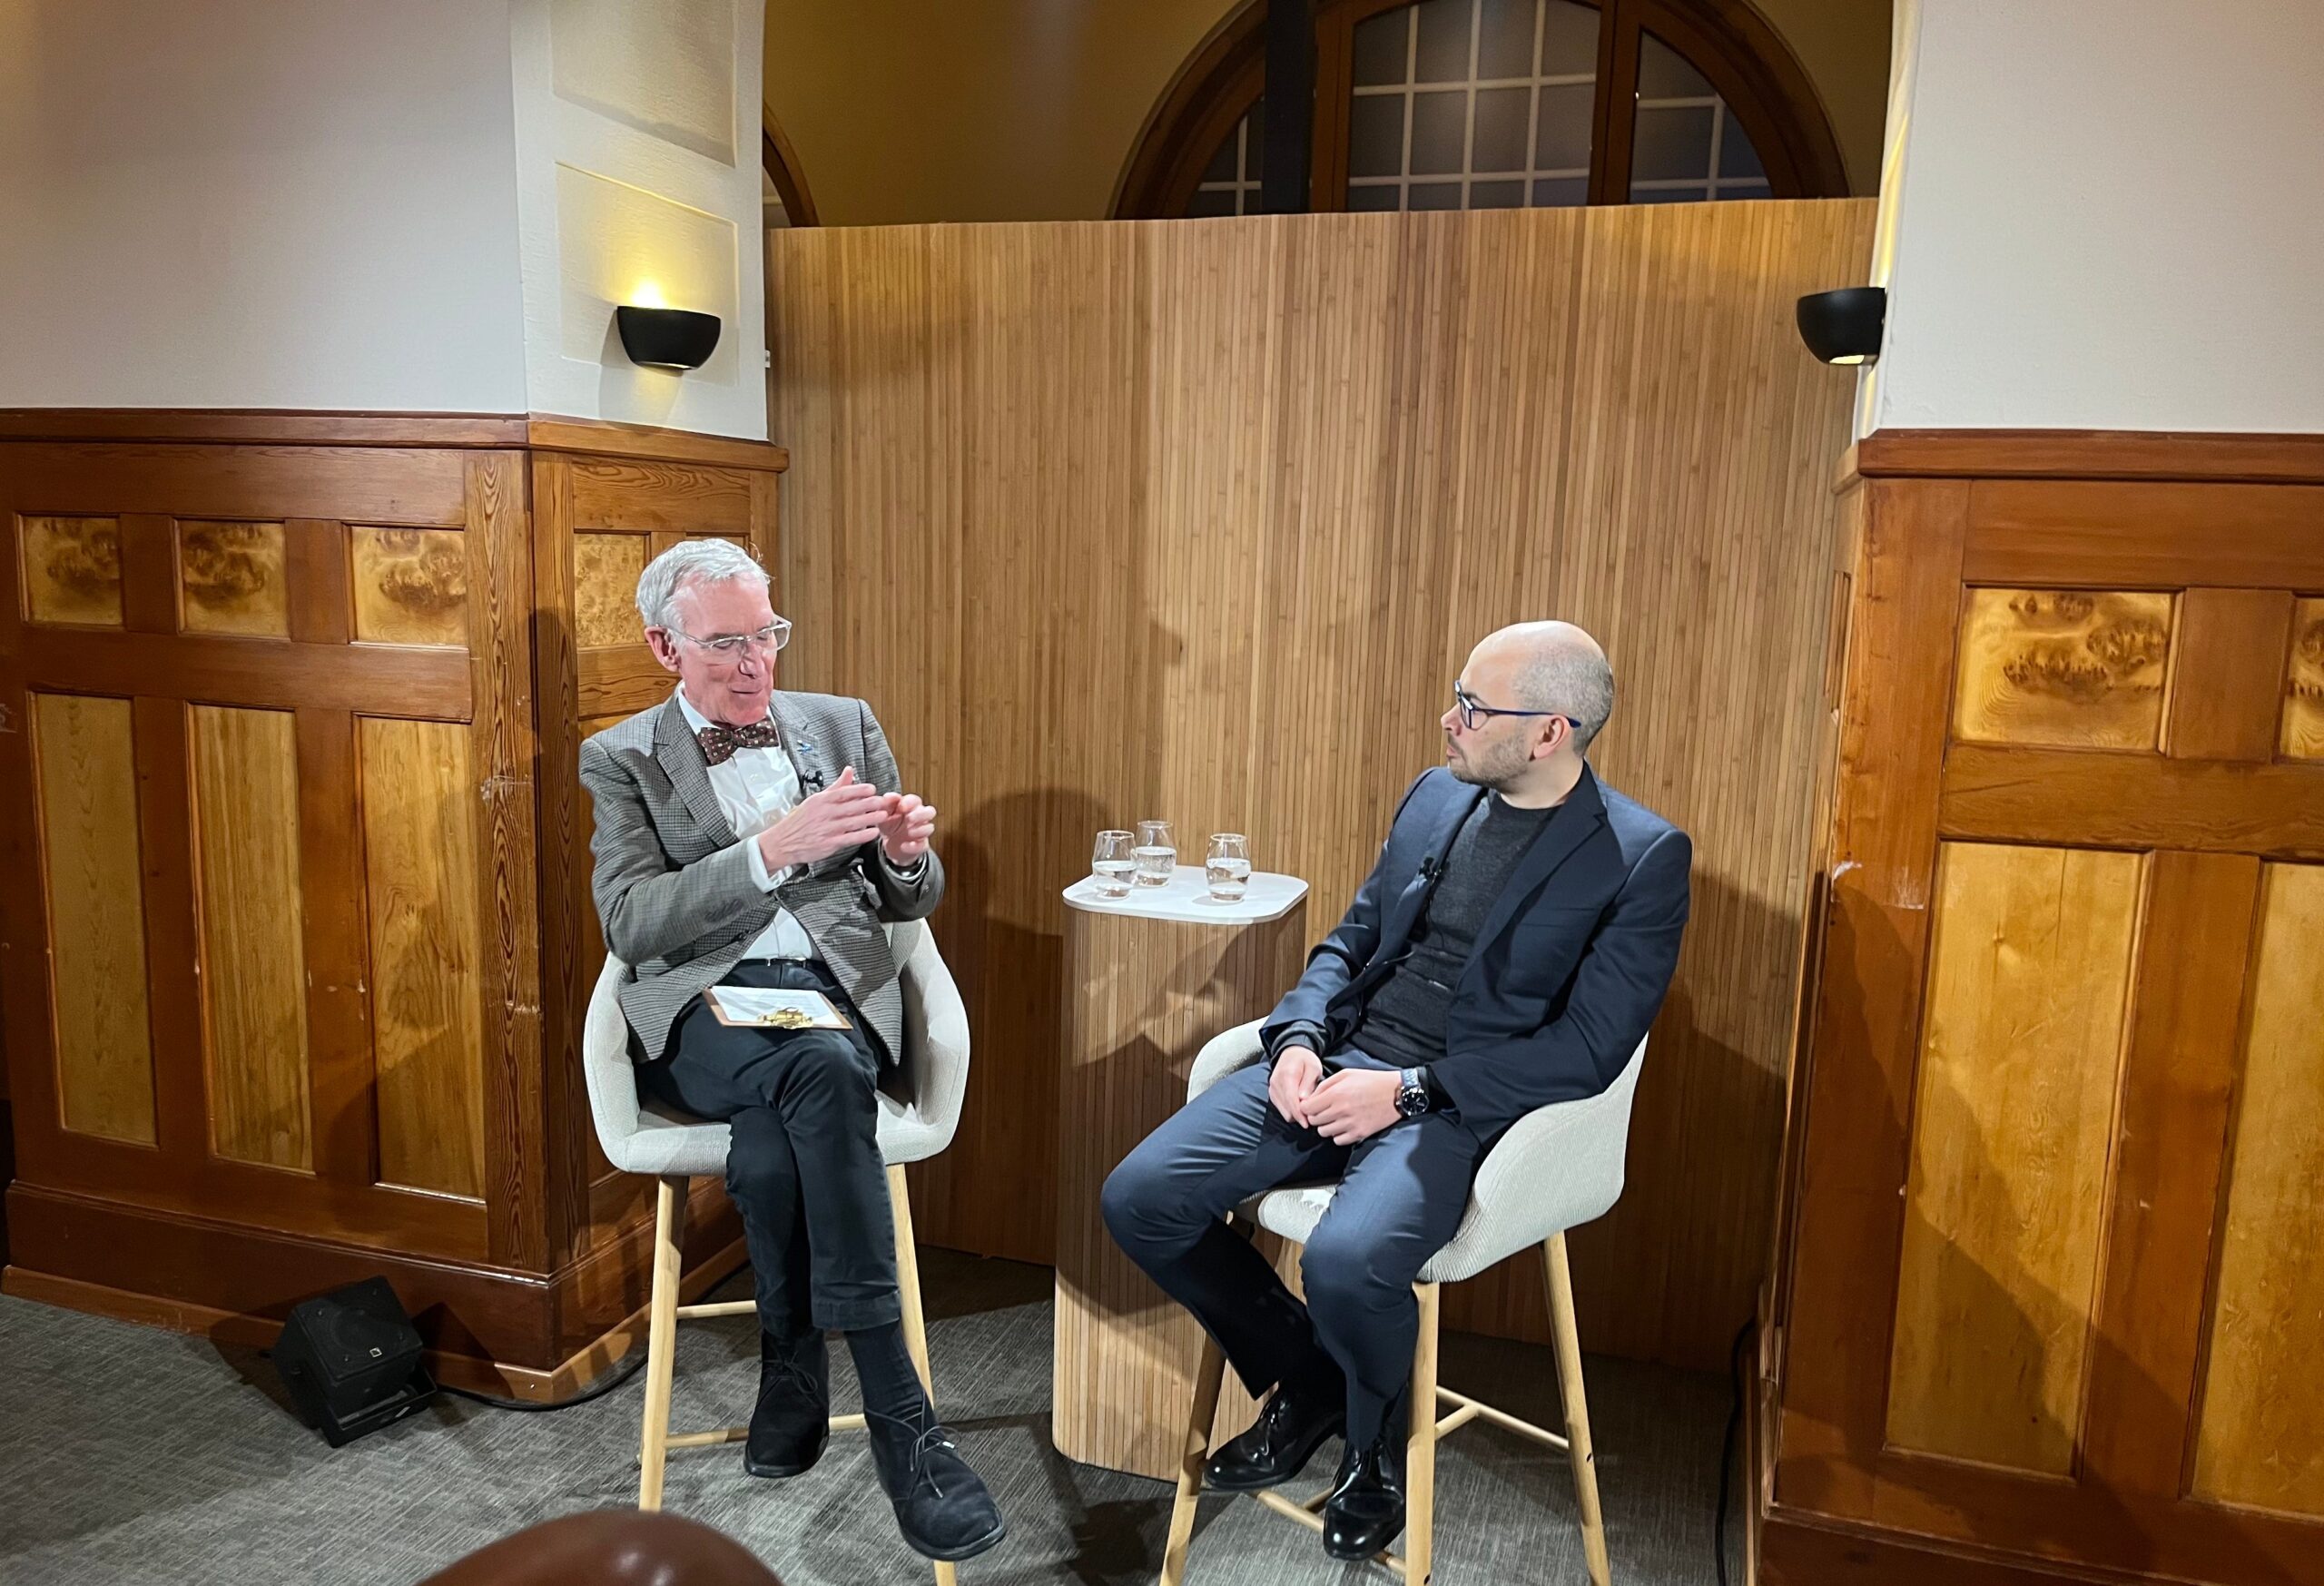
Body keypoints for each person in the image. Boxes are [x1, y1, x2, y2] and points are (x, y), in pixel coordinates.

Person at [1102, 620, 1690, 1561]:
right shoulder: (1434, 797)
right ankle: (1314, 1381)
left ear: (1550, 731)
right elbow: (1350, 939)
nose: (1447, 719)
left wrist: (1409, 1093)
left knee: (1347, 1258)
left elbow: (1589, 1048)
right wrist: (1295, 1036)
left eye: (1472, 705)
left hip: (1456, 1103)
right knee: (1140, 1197)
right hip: (1338, 1058)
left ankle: (1372, 1450)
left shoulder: (1638, 854)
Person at [580, 539, 1003, 1563]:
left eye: (764, 635)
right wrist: (772, 850)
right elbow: (631, 920)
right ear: (663, 646)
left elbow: (906, 898)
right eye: (723, 644)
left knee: (781, 1129)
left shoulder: (840, 722)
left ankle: (791, 1360)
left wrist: (906, 857)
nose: (751, 664)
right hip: (706, 1012)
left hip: (828, 996)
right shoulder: (622, 755)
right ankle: (905, 1417)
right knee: (821, 1070)